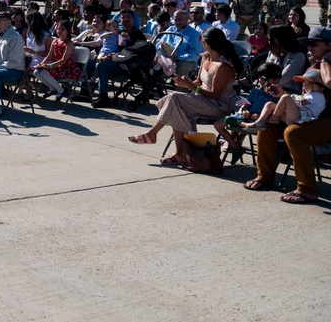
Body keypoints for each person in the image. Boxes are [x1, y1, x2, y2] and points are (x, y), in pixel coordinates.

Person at [127, 27, 243, 164]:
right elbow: (199, 82)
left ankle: (154, 135)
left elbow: (215, 95)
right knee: (176, 107)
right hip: (202, 100)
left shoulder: (223, 67)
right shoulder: (205, 57)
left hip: (219, 105)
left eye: (201, 39)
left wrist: (191, 87)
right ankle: (178, 153)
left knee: (174, 99)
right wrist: (186, 82)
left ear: (206, 42)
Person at [245, 26, 331, 204]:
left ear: (329, 45)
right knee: (267, 125)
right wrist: (282, 92)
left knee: (293, 133)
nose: (309, 48)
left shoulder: (326, 63)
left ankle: (307, 189)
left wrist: (325, 61)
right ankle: (265, 176)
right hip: (307, 116)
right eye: (308, 44)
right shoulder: (313, 64)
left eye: (314, 44)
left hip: (326, 120)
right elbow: (304, 97)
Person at [242, 69, 327, 130]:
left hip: (303, 120)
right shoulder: (309, 94)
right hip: (294, 116)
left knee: (285, 98)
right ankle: (257, 123)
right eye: (304, 83)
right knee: (269, 104)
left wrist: (284, 94)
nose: (305, 85)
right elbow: (295, 100)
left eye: (310, 83)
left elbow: (300, 102)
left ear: (321, 87)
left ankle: (273, 119)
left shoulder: (317, 95)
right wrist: (283, 93)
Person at [94, 9, 146, 108]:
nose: (126, 19)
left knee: (101, 66)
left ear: (133, 20)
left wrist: (130, 39)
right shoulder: (118, 32)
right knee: (91, 62)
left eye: (128, 17)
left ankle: (103, 96)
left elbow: (139, 52)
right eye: (123, 18)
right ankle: (85, 91)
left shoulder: (137, 34)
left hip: (129, 65)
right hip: (116, 59)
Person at [33, 20, 80, 101]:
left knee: (44, 72)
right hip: (56, 66)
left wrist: (49, 66)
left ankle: (61, 90)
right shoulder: (55, 41)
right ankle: (53, 87)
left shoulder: (69, 43)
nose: (59, 31)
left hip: (66, 68)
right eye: (58, 29)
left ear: (68, 31)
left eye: (63, 29)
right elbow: (49, 56)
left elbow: (63, 60)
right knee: (36, 72)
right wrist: (42, 64)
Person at [159, 10, 203, 78]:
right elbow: (159, 43)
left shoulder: (194, 34)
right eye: (176, 19)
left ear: (187, 19)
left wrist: (179, 58)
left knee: (180, 66)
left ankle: (180, 87)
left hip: (185, 60)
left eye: (180, 19)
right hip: (167, 57)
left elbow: (195, 53)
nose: (178, 22)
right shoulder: (171, 29)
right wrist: (162, 46)